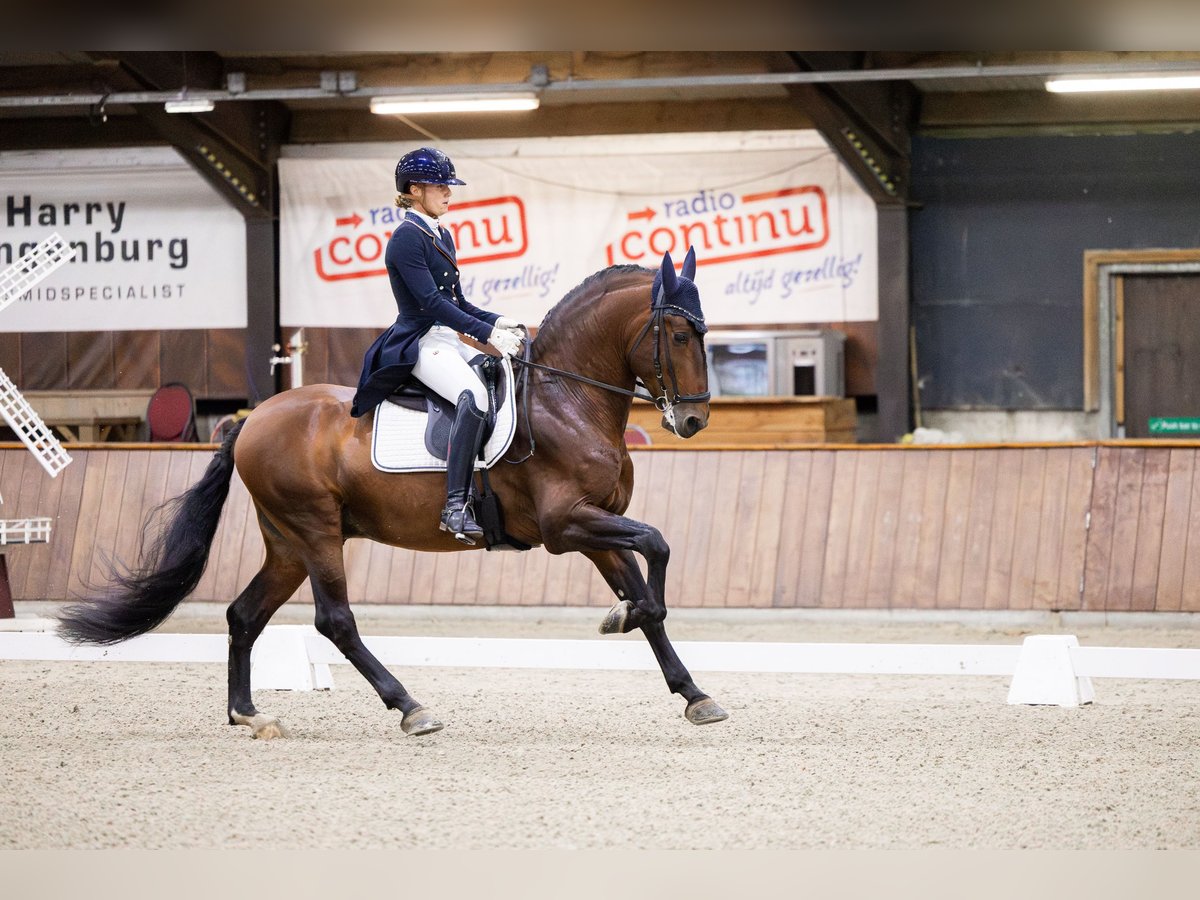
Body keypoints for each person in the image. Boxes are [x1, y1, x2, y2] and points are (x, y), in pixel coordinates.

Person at [351, 147, 524, 545]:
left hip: (446, 337)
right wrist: (486, 335)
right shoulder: (406, 240)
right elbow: (432, 304)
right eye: (441, 186)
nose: (449, 193)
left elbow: (458, 301)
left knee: (502, 374)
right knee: (474, 397)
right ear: (415, 190)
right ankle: (454, 507)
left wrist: (498, 321)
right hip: (419, 341)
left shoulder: (441, 233)